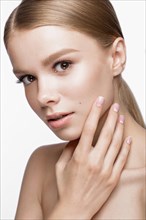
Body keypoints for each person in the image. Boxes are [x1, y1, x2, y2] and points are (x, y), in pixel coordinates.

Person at [4, 0, 145, 219]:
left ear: (116, 57)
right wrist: (73, 207)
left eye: (63, 65)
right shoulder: (41, 167)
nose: (43, 96)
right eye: (28, 78)